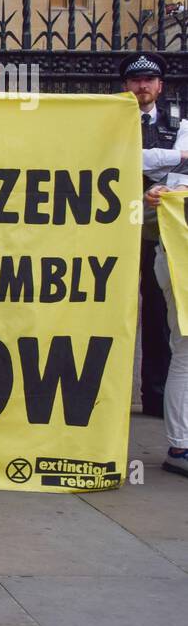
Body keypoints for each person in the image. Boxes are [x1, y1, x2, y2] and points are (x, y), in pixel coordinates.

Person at [127, 51, 186, 418]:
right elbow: (121, 157)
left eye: (149, 80)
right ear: (126, 85)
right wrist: (167, 156)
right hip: (114, 222)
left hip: (157, 229)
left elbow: (185, 162)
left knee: (158, 312)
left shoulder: (177, 119)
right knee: (107, 307)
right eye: (135, 80)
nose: (142, 86)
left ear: (160, 86)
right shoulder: (111, 119)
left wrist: (163, 158)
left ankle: (155, 395)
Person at [139, 177, 188, 477]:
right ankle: (179, 447)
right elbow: (146, 209)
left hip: (173, 255)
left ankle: (180, 445)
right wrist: (159, 196)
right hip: (177, 258)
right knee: (185, 352)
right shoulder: (179, 149)